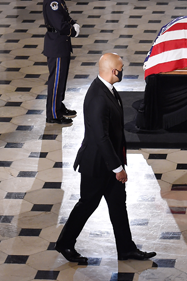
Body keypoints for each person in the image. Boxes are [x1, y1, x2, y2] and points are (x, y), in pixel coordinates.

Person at [55, 53, 156, 263]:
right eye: (121, 67)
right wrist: (118, 168)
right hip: (97, 165)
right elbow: (101, 138)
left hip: (108, 163)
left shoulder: (107, 90)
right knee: (87, 204)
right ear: (113, 71)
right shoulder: (98, 98)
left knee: (118, 204)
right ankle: (64, 244)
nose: (122, 70)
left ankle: (126, 249)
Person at [40, 0, 79, 125]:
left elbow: (64, 16)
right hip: (56, 44)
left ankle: (59, 106)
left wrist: (73, 22)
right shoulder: (52, 0)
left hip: (61, 43)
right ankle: (53, 114)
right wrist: (72, 30)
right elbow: (59, 24)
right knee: (55, 81)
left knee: (61, 79)